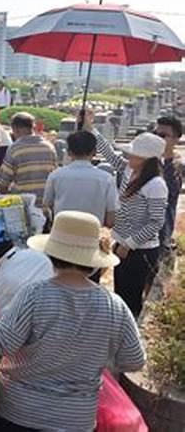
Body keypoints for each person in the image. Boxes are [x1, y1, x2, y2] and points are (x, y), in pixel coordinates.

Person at [0, 211, 145, 431]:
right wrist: (93, 357)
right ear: (93, 261)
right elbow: (134, 360)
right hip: (76, 419)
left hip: (18, 411)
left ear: (51, 253)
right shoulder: (114, 306)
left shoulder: (34, 294)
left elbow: (4, 343)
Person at [82, 110, 167, 317]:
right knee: (121, 294)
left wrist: (129, 244)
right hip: (122, 245)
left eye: (133, 154)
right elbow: (110, 155)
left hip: (140, 250)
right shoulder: (131, 171)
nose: (128, 156)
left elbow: (156, 222)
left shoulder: (156, 184)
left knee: (131, 299)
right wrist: (90, 128)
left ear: (146, 159)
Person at [44, 130, 118, 227]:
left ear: (69, 152)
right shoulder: (106, 179)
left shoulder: (55, 175)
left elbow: (47, 204)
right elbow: (111, 216)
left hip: (62, 234)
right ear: (94, 152)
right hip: (93, 235)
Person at [0, 112, 57, 206]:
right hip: (46, 204)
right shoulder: (49, 147)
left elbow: (3, 183)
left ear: (15, 129)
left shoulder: (15, 149)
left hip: (24, 206)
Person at [154, 116, 183, 258]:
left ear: (176, 139)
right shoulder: (145, 161)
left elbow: (167, 193)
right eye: (155, 134)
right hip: (136, 238)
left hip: (161, 236)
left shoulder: (177, 167)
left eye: (163, 135)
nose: (158, 139)